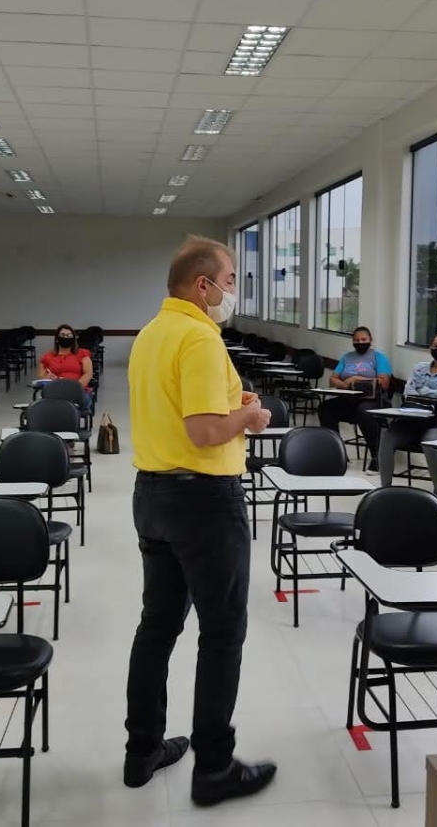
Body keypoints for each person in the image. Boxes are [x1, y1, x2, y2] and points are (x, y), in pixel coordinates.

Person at [124, 235, 277, 807]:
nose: (233, 291)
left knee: (158, 626)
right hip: (205, 503)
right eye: (230, 281)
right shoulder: (200, 337)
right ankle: (214, 767)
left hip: (153, 495)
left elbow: (182, 413)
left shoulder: (151, 334)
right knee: (222, 631)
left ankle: (142, 749)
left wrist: (234, 407)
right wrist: (250, 417)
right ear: (203, 285)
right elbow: (205, 430)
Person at [377, 333, 437, 489]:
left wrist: (423, 390)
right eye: (436, 346)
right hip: (410, 419)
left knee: (429, 444)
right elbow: (408, 392)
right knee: (387, 437)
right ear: (430, 348)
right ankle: (385, 488)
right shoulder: (419, 367)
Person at [316, 326, 392, 471]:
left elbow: (384, 383)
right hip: (349, 399)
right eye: (356, 340)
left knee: (363, 412)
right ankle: (336, 452)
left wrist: (357, 379)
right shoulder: (347, 357)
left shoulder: (379, 357)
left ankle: (377, 457)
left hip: (373, 400)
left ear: (370, 340)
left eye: (364, 339)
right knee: (325, 409)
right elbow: (332, 379)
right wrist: (344, 384)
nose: (360, 342)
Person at [38, 323, 94, 409]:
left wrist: (74, 388)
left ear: (73, 339)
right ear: (57, 339)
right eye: (62, 335)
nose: (66, 337)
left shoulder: (82, 353)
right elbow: (41, 377)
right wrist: (46, 378)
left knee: (64, 404)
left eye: (69, 335)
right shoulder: (47, 357)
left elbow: (88, 373)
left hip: (79, 392)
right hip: (56, 392)